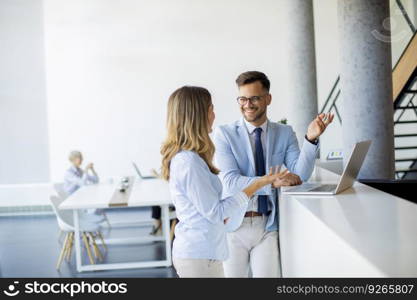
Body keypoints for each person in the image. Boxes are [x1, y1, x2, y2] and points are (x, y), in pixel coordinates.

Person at [160, 86, 301, 278]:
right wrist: (261, 183)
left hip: (207, 253)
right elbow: (216, 212)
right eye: (210, 109)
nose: (214, 115)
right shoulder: (188, 162)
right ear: (197, 115)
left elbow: (209, 209)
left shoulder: (193, 158)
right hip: (198, 256)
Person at [213, 71, 334, 277]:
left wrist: (310, 139)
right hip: (233, 227)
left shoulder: (284, 133)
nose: (247, 104)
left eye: (254, 98)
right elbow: (231, 182)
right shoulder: (225, 134)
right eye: (242, 99)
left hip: (267, 226)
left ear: (268, 99)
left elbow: (300, 174)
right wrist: (271, 182)